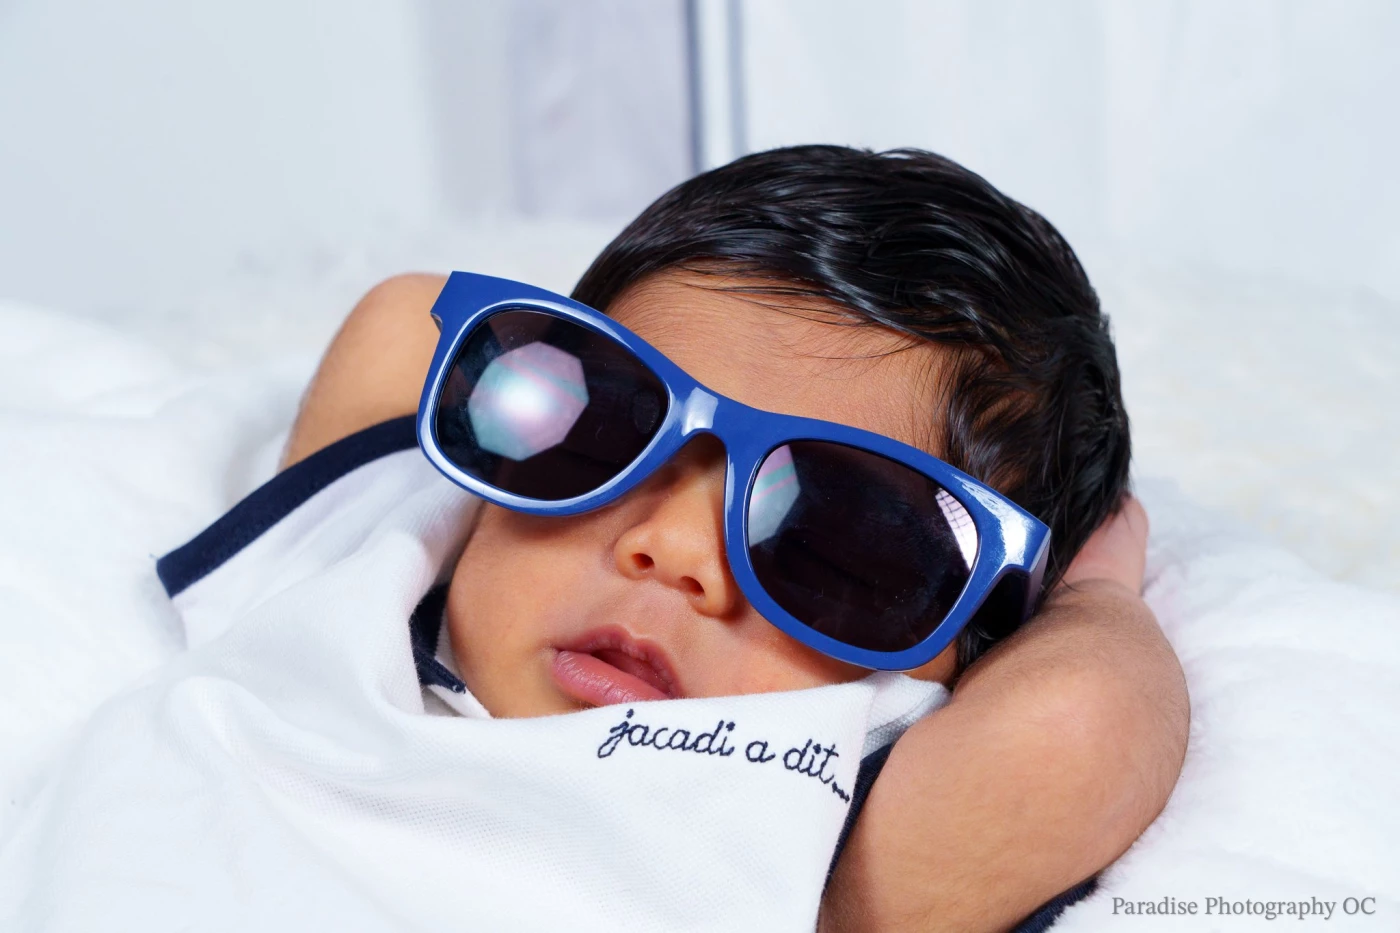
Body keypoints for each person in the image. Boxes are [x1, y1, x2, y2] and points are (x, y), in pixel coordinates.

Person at [1, 146, 1187, 932]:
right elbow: (412, 320)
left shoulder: (809, 809)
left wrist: (1092, 591)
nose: (671, 548)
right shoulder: (368, 557)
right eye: (606, 431)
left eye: (833, 537)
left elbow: (1071, 729)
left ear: (966, 643)